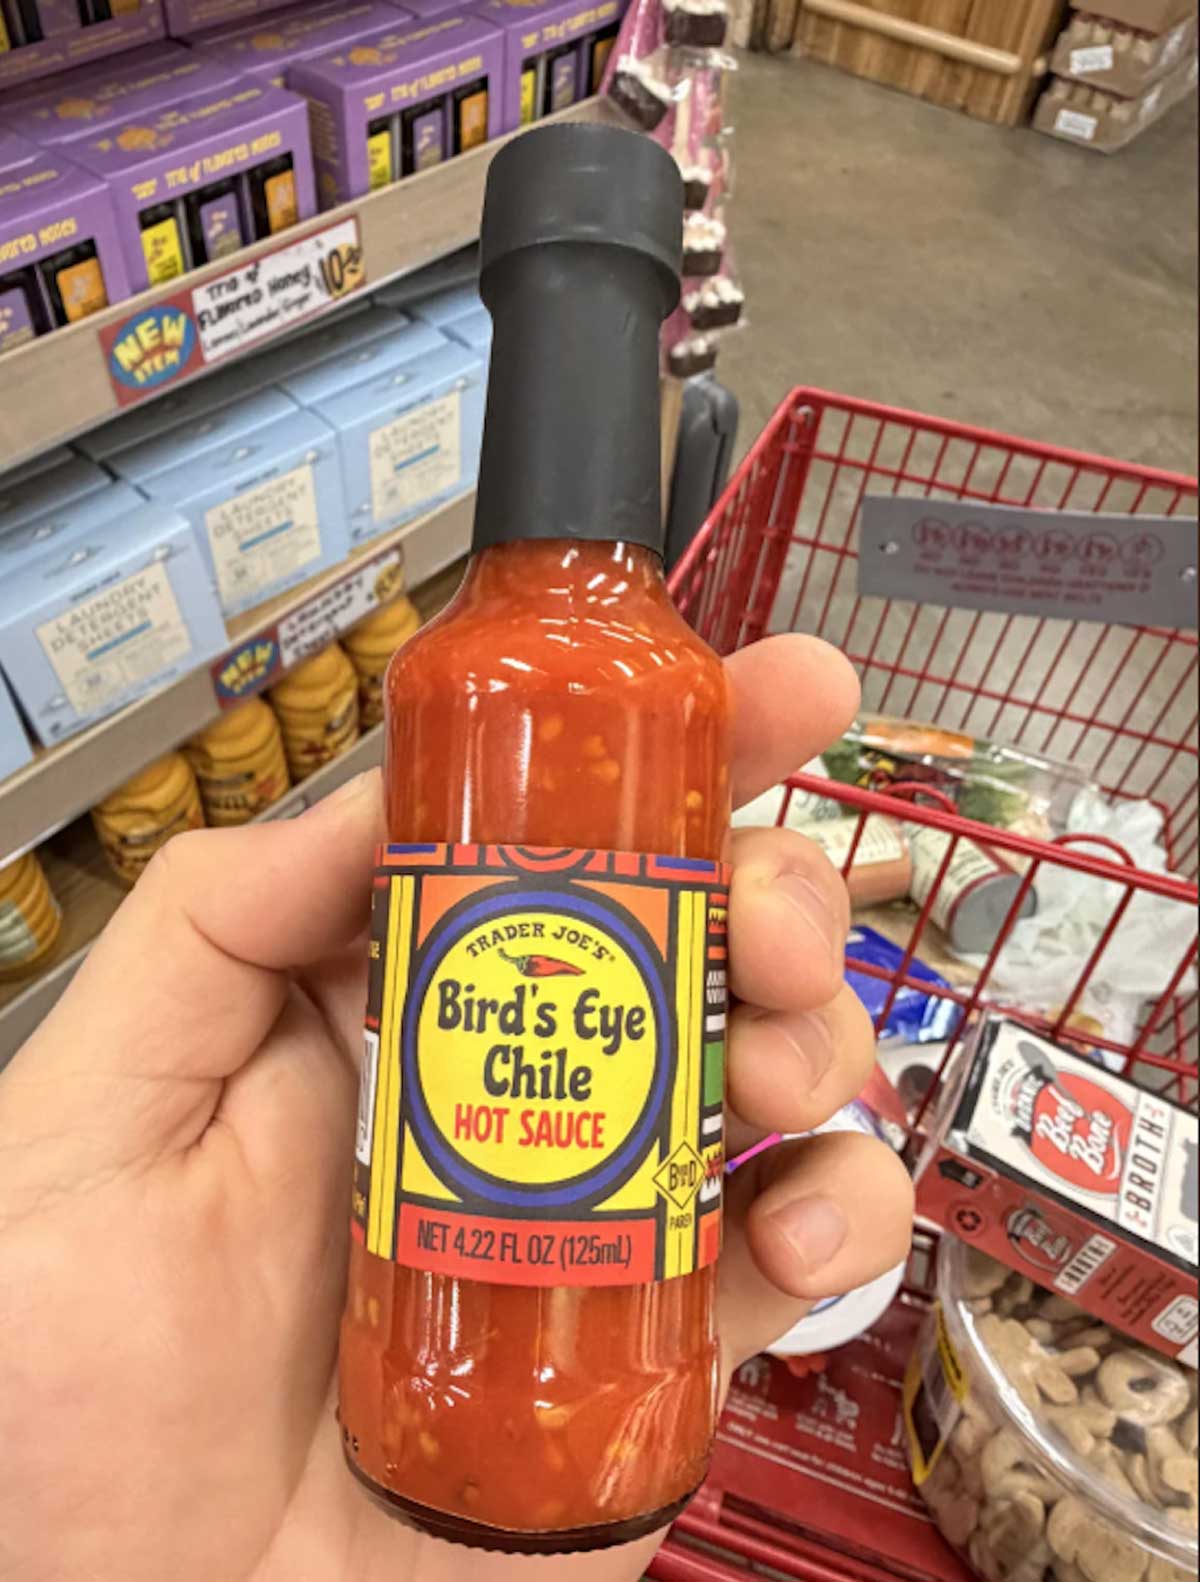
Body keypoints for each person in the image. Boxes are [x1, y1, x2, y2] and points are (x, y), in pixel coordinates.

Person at [0, 633, 914, 1582]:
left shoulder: (613, 677)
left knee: (764, 1019)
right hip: (275, 1429)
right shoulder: (465, 675)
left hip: (439, 1453)